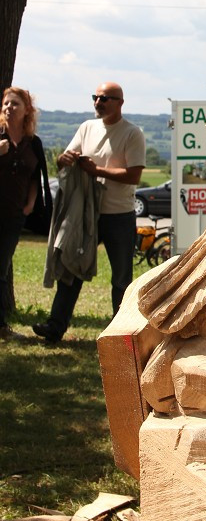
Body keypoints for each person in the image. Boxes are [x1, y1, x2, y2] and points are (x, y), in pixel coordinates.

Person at [33, 82, 145, 343]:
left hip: (119, 215)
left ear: (120, 103)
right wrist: (64, 159)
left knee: (121, 279)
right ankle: (55, 327)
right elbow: (64, 157)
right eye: (96, 97)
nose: (98, 102)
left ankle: (121, 334)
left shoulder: (132, 133)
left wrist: (98, 172)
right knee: (71, 268)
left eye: (105, 98)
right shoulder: (87, 127)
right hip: (86, 214)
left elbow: (134, 175)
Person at [0, 87, 51, 341]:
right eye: (6, 104)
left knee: (1, 267)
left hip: (13, 216)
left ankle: (0, 327)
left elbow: (35, 177)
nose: (9, 108)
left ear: (27, 110)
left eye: (15, 104)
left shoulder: (33, 142)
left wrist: (31, 204)